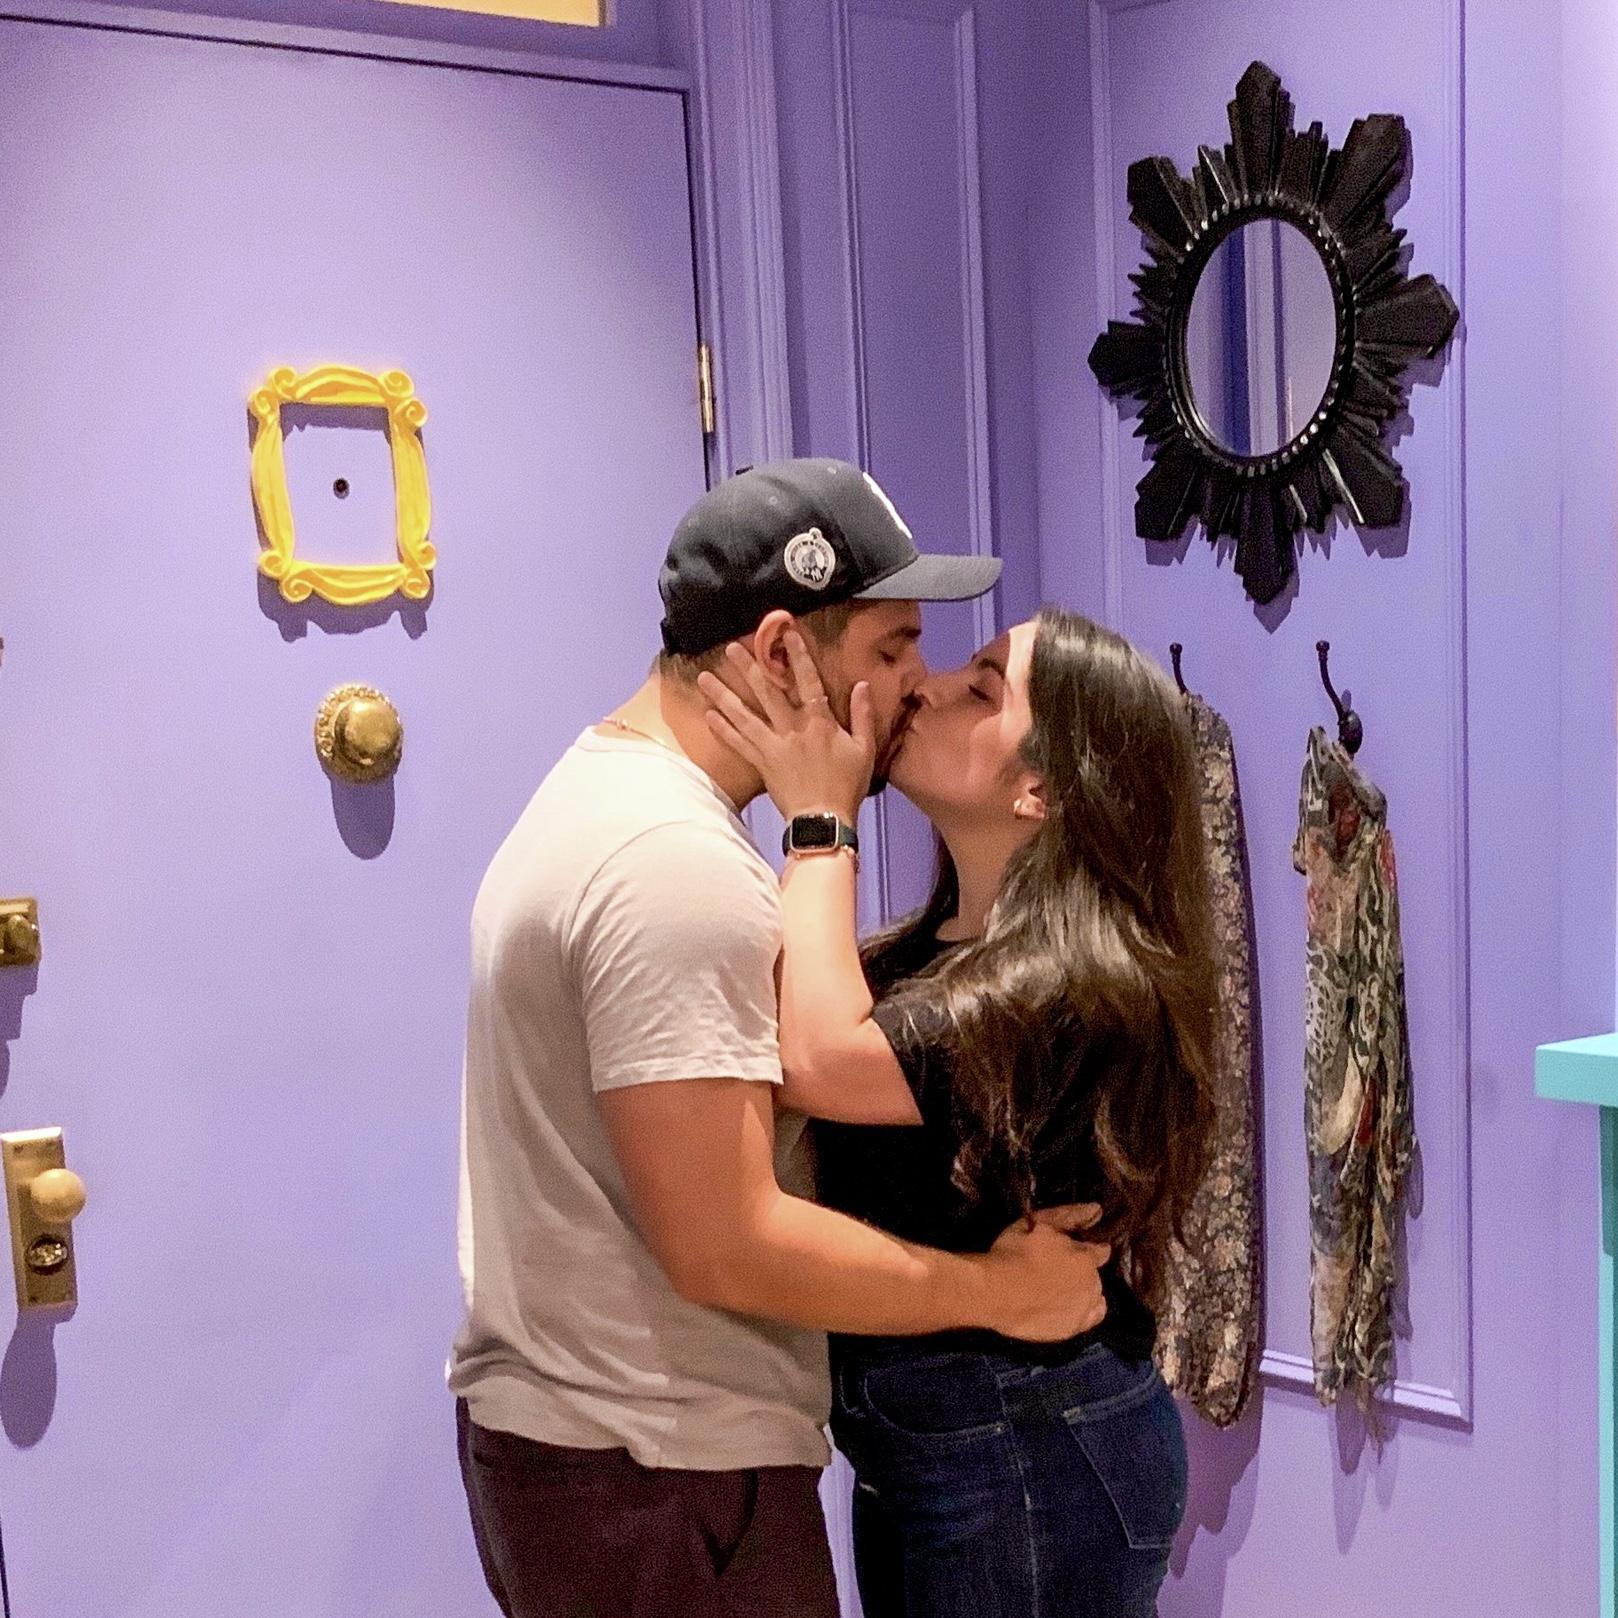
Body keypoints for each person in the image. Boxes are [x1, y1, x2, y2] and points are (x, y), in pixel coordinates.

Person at [448, 461, 1115, 1618]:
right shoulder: (673, 867)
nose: (913, 685)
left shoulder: (615, 799)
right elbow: (726, 1242)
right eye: (892, 648)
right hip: (658, 1464)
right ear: (778, 652)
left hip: (614, 1451)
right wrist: (1000, 1289)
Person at [699, 605, 1220, 1617]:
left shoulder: (1078, 982)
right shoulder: (925, 955)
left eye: (978, 689)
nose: (924, 687)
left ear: (1043, 789)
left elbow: (819, 1057)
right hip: (945, 1446)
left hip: (1032, 1446)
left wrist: (820, 821)